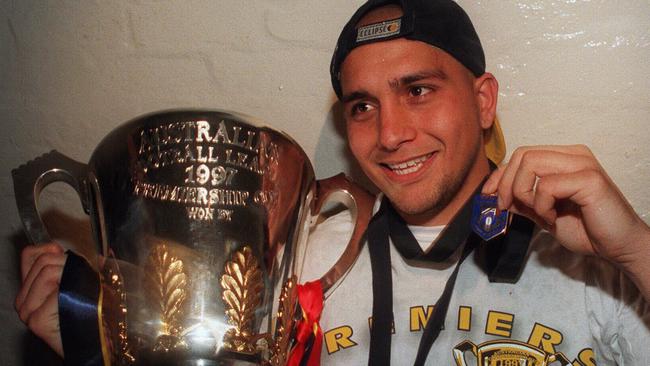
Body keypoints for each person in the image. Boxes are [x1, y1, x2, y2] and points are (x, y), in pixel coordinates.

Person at [16, 0, 650, 365]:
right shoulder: (306, 260)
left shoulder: (592, 261)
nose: (391, 133)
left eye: (419, 90)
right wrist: (90, 340)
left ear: (484, 102)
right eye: (362, 106)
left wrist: (635, 250)